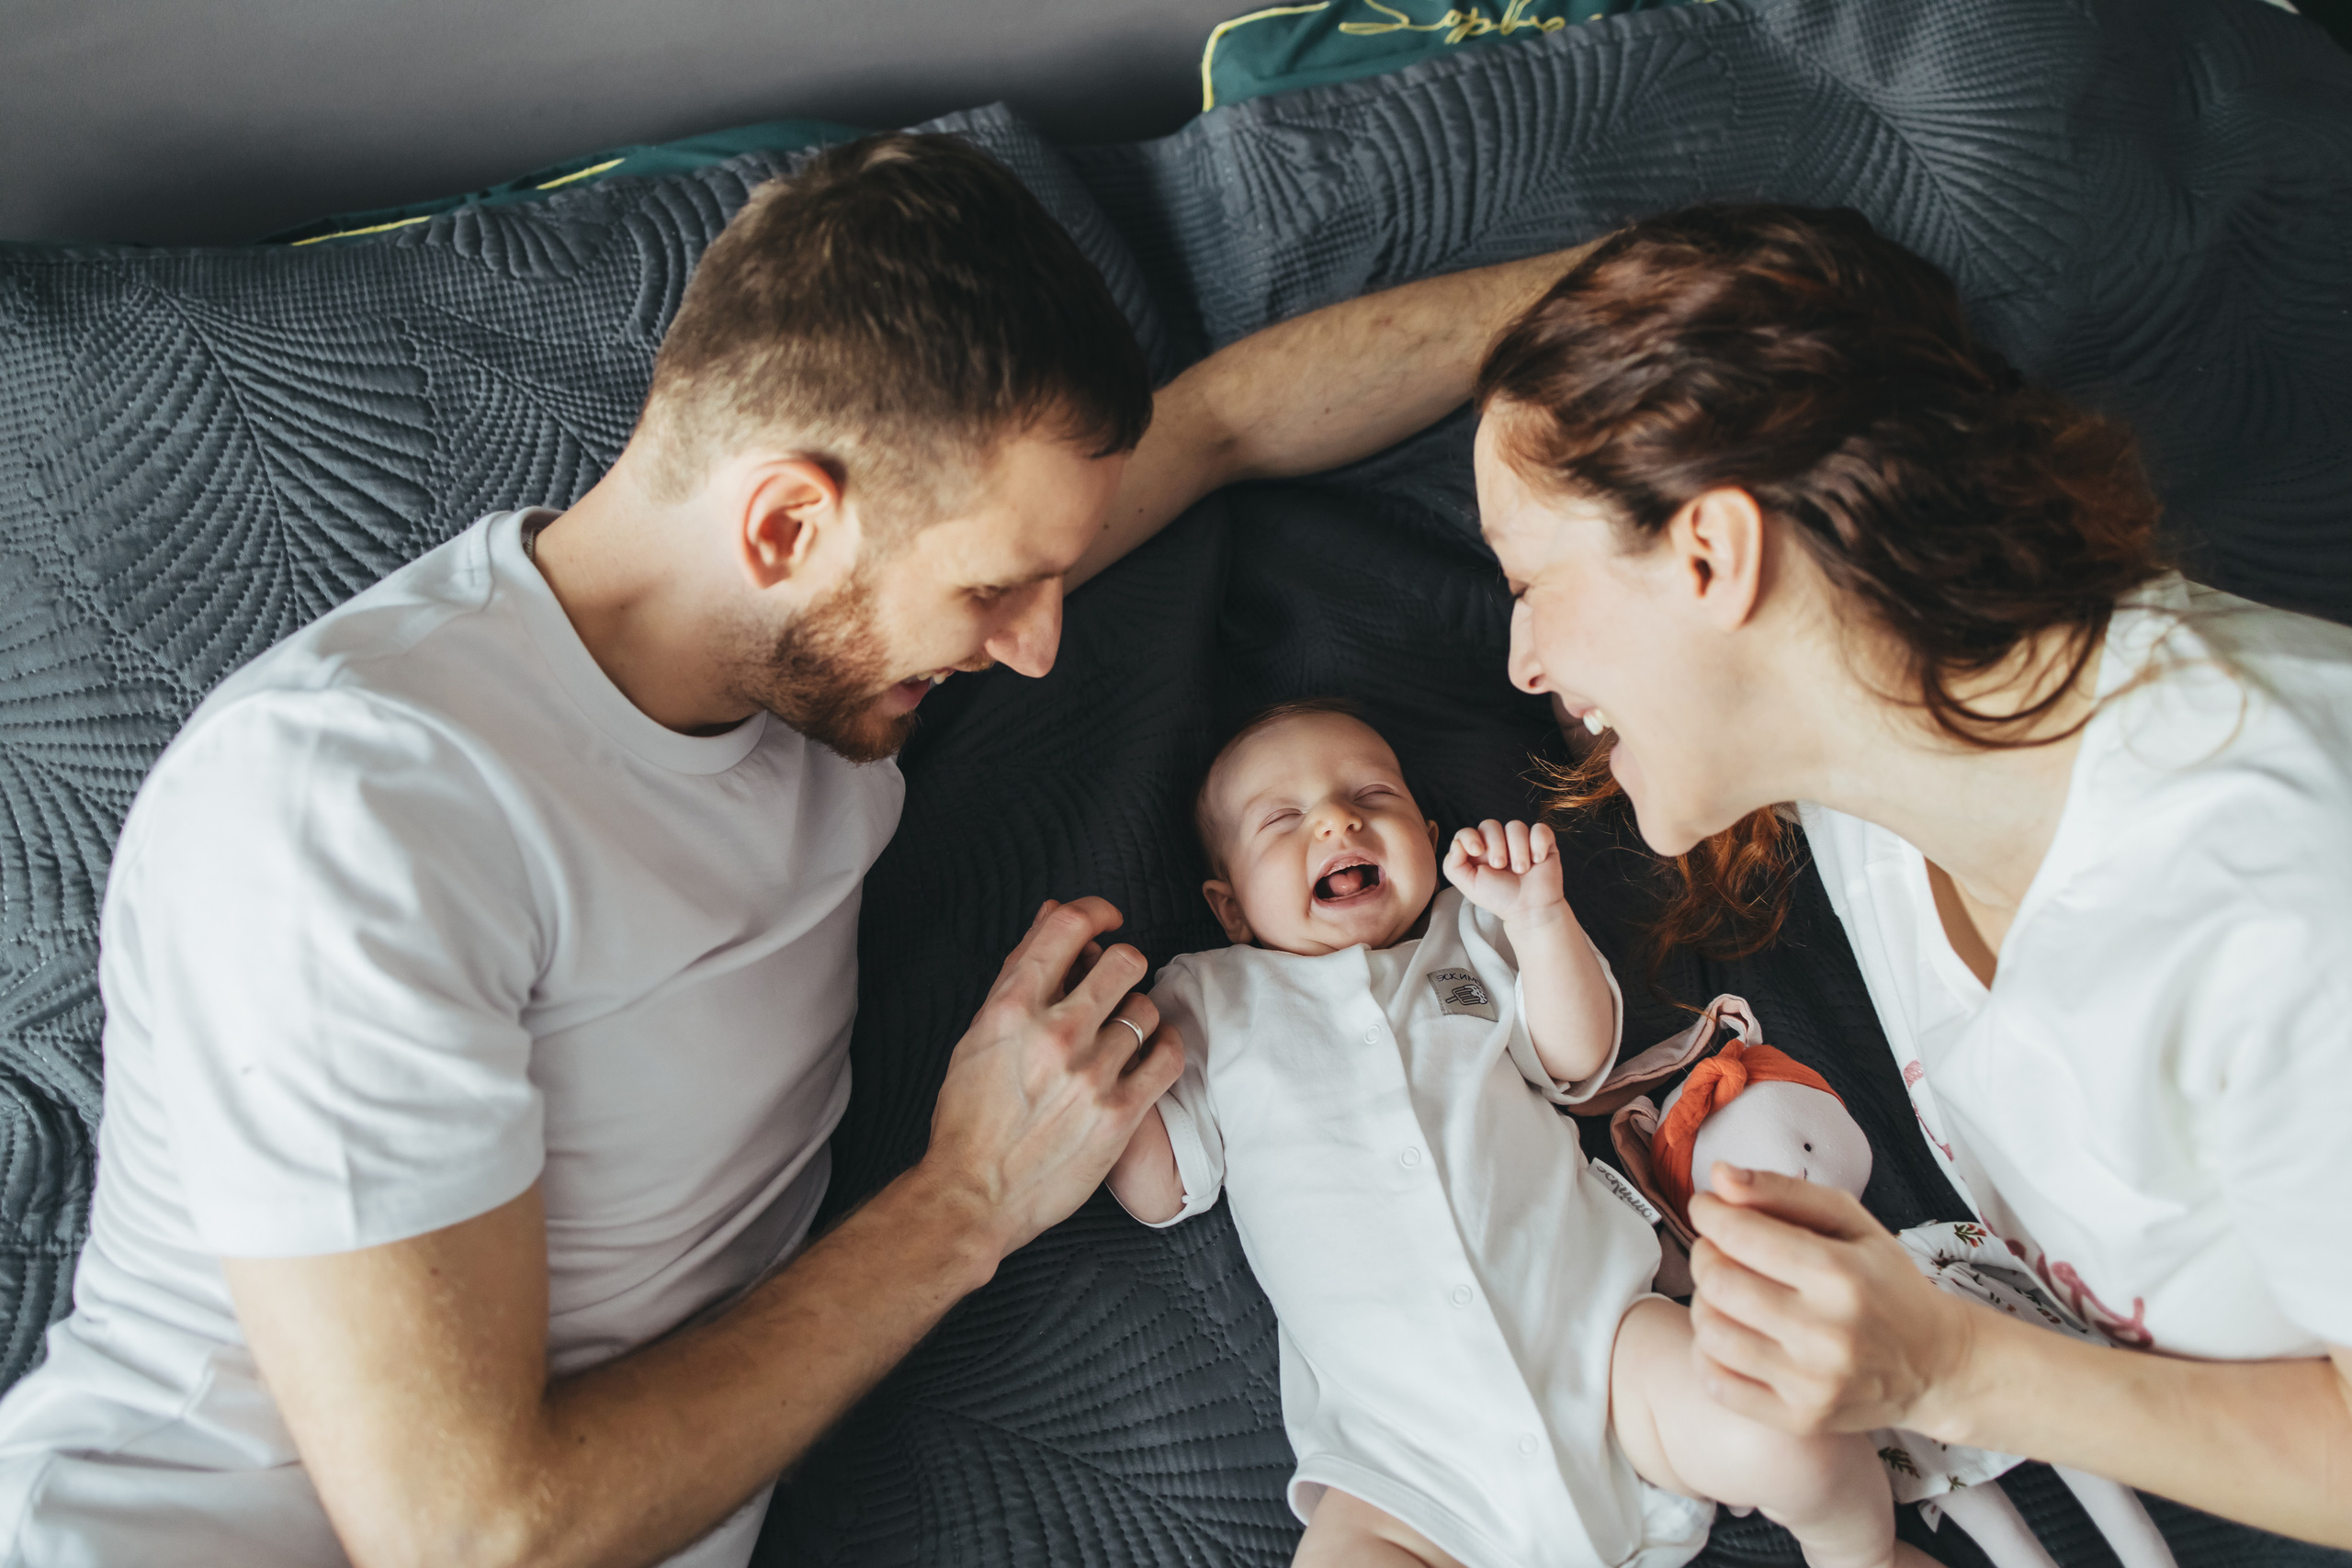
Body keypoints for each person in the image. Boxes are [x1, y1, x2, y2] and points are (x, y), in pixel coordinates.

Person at [0, 134, 1590, 1568]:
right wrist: (967, 1196)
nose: (1042, 647)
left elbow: (1226, 424)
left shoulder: (820, 639)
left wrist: (1649, 285)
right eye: (993, 596)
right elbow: (476, 1537)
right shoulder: (350, 809)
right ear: (781, 525)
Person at [1467, 203, 2352, 1551]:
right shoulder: (1868, 739)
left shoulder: (2280, 897)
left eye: (1530, 580)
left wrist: (1947, 1364)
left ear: (1712, 554)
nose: (1522, 659)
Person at [1106, 701, 1934, 1568]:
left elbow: (1578, 1058)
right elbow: (1166, 1186)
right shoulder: (1208, 1000)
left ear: (1430, 840)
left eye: (1371, 794)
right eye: (1283, 818)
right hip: (1403, 1467)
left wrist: (1541, 921)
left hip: (1607, 1349)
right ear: (1229, 905)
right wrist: (1108, 1082)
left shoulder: (1469, 938)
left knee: (1793, 1433)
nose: (1337, 819)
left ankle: (1864, 1554)